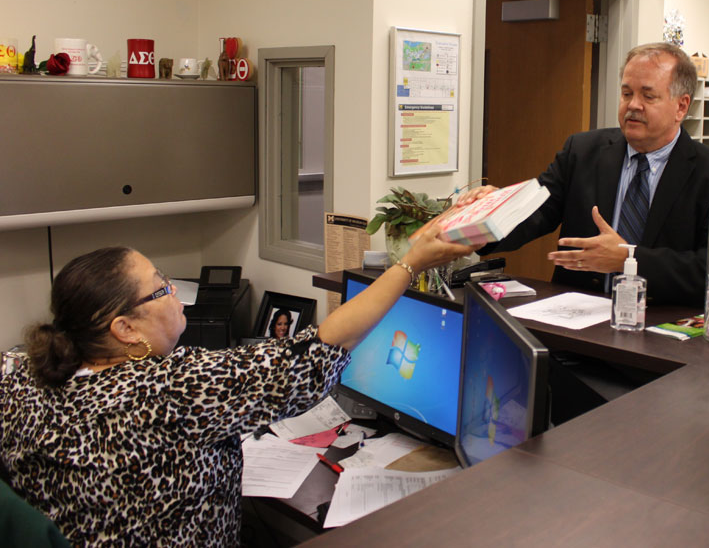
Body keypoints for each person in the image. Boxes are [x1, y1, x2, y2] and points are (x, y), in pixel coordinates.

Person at [0, 222, 473, 547]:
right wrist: (409, 263)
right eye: (161, 287)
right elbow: (309, 356)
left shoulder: (17, 372)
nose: (176, 292)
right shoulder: (166, 391)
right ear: (125, 329)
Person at [465, 42, 709, 305]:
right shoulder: (583, 151)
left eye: (648, 96)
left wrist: (629, 258)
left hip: (660, 339)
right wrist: (487, 217)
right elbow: (535, 212)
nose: (633, 105)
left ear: (681, 106)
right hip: (577, 329)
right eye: (627, 94)